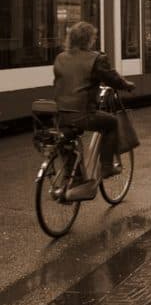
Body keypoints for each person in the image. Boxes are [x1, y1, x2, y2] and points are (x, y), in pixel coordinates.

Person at [53, 21, 135, 200]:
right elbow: (112, 79)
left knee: (68, 140)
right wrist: (127, 85)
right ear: (89, 39)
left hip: (60, 115)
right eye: (94, 37)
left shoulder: (60, 58)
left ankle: (74, 179)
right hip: (83, 114)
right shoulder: (96, 59)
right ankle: (106, 166)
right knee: (111, 123)